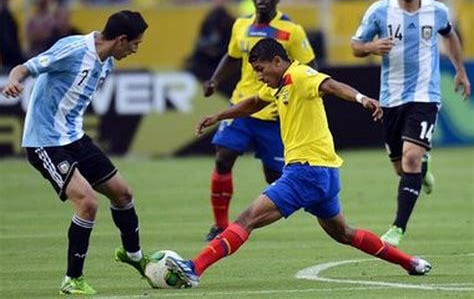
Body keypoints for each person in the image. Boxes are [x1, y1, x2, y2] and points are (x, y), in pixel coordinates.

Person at [165, 38, 432, 288]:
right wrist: (219, 116)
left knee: (246, 219)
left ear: (278, 62)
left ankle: (193, 268)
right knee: (343, 233)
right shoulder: (277, 85)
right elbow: (255, 102)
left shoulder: (301, 76)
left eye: (260, 69)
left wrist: (362, 98)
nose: (259, 76)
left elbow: (330, 85)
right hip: (324, 173)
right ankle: (410, 262)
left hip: (306, 171)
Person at [2, 10, 151, 295]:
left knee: (123, 194)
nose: (135, 49)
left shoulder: (107, 62)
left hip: (74, 138)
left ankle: (133, 255)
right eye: (136, 43)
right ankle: (72, 279)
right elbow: (25, 67)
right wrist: (13, 81)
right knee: (88, 203)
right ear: (121, 39)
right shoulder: (72, 49)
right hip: (45, 141)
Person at [351, 0, 471, 247]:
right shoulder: (380, 11)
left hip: (424, 95)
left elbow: (450, 35)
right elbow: (355, 46)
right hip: (391, 98)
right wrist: (371, 46)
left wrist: (460, 71)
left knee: (411, 159)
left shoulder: (436, 11)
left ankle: (397, 228)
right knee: (401, 168)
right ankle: (423, 166)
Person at [202, 0, 317, 241]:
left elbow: (310, 67)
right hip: (243, 105)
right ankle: (220, 225)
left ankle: (316, 207)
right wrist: (215, 80)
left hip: (275, 112)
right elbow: (232, 56)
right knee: (223, 156)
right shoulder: (240, 25)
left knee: (275, 176)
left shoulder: (292, 30)